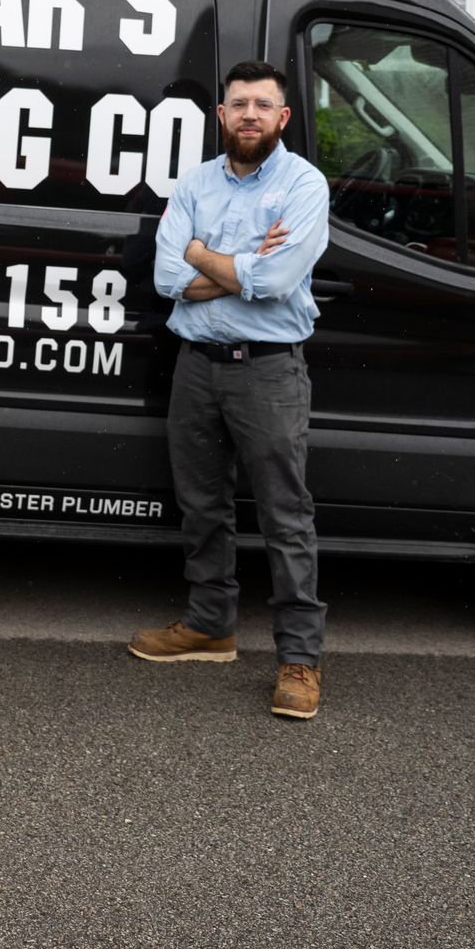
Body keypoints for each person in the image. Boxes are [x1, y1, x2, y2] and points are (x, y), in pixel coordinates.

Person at [129, 60, 331, 720]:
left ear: (283, 117)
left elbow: (275, 283)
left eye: (262, 104)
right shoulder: (193, 183)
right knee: (202, 504)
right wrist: (243, 264)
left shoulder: (304, 185)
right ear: (221, 116)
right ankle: (210, 624)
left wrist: (201, 252)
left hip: (269, 371)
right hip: (197, 367)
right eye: (238, 103)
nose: (249, 113)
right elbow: (165, 278)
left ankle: (299, 659)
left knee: (284, 515)